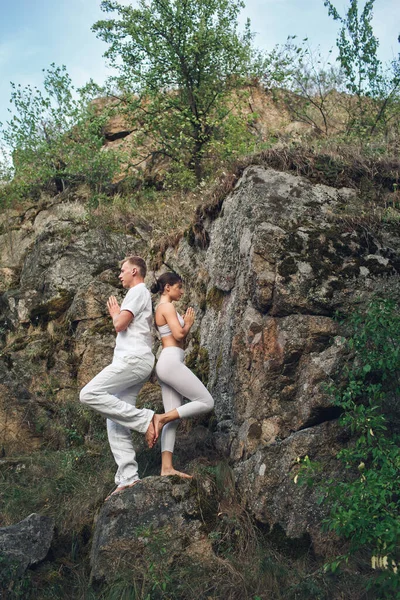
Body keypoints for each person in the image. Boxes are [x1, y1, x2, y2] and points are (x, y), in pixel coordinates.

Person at [80, 255, 159, 499]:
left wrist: (116, 313)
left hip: (133, 360)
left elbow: (120, 324)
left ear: (135, 271)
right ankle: (128, 477)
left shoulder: (137, 291)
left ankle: (146, 421)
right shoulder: (139, 293)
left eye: (123, 270)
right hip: (134, 361)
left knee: (88, 394)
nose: (119, 274)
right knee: (114, 419)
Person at [151, 272, 214, 478]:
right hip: (170, 361)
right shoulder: (166, 307)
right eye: (179, 287)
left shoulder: (163, 307)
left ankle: (166, 468)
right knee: (206, 401)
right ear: (168, 287)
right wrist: (188, 323)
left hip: (168, 361)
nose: (182, 291)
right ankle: (160, 418)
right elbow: (179, 335)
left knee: (174, 418)